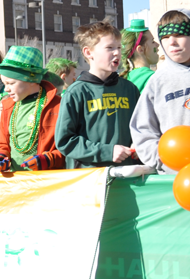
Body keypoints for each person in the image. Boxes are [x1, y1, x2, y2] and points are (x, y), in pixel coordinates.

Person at [56, 20, 141, 168]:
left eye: (119, 48)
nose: (117, 53)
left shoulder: (130, 89)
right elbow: (65, 141)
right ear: (88, 53)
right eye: (109, 48)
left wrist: (139, 144)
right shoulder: (76, 93)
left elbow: (142, 128)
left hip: (126, 178)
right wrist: (108, 151)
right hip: (89, 180)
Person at [130, 8, 190, 173]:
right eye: (165, 37)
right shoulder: (157, 81)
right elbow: (142, 130)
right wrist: (162, 160)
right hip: (176, 177)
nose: (172, 42)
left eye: (179, 35)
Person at [0, 46, 66, 172]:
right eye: (4, 84)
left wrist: (48, 160)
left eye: (11, 83)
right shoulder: (7, 105)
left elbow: (67, 147)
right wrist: (0, 156)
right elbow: (3, 142)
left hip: (46, 181)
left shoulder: (58, 106)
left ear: (31, 79)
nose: (6, 89)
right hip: (15, 181)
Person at [120, 19, 160, 93]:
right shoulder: (154, 79)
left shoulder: (123, 79)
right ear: (140, 49)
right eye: (152, 41)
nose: (157, 45)